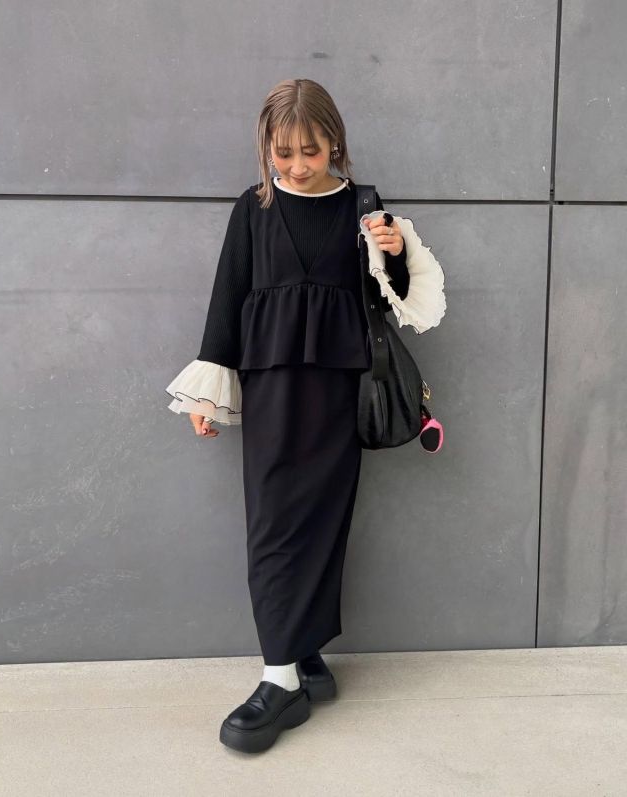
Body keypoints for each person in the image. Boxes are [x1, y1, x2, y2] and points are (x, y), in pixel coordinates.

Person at [165, 78, 446, 753]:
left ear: (335, 144)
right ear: (267, 147)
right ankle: (281, 675)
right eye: (283, 152)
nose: (295, 166)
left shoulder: (362, 208)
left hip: (340, 388)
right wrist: (207, 391)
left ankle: (302, 653)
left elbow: (393, 301)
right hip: (270, 387)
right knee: (273, 522)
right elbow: (228, 296)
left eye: (310, 151)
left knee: (324, 519)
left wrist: (393, 251)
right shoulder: (253, 208)